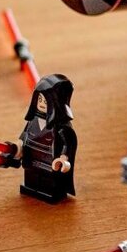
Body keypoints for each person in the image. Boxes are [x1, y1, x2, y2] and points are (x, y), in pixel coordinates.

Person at [16, 74, 78, 203]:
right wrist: (19, 146)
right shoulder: (33, 120)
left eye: (45, 101)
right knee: (31, 176)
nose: (42, 104)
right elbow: (25, 135)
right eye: (40, 99)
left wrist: (63, 158)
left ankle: (52, 192)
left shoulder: (60, 127)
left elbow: (67, 144)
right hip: (31, 158)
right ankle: (31, 188)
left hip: (50, 161)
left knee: (48, 180)